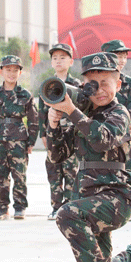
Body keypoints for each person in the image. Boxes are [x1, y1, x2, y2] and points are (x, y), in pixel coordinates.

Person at [47, 52, 131, 262]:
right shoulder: (82, 116)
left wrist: (72, 112)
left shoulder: (119, 113)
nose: (99, 91)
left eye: (105, 83)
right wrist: (54, 124)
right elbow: (57, 154)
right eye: (92, 85)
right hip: (88, 196)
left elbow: (101, 139)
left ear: (118, 85)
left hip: (116, 198)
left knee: (67, 214)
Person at [0, 55, 39, 220]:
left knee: (19, 174)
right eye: (8, 69)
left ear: (20, 72)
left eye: (15, 70)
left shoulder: (25, 95)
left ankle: (20, 206)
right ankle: (1, 206)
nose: (12, 73)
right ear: (1, 71)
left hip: (19, 140)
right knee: (0, 174)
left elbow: (33, 120)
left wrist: (31, 141)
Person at [38, 43, 81, 220]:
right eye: (55, 58)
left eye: (63, 57)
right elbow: (41, 112)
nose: (58, 61)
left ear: (70, 61)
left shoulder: (77, 85)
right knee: (54, 170)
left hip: (71, 134)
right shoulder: (48, 85)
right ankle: (56, 206)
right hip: (53, 132)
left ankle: (69, 206)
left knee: (71, 170)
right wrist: (43, 134)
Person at [100, 39, 131, 221]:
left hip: (123, 135)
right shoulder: (98, 81)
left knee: (127, 169)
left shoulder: (128, 82)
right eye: (118, 55)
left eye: (124, 56)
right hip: (103, 134)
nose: (122, 59)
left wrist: (117, 122)